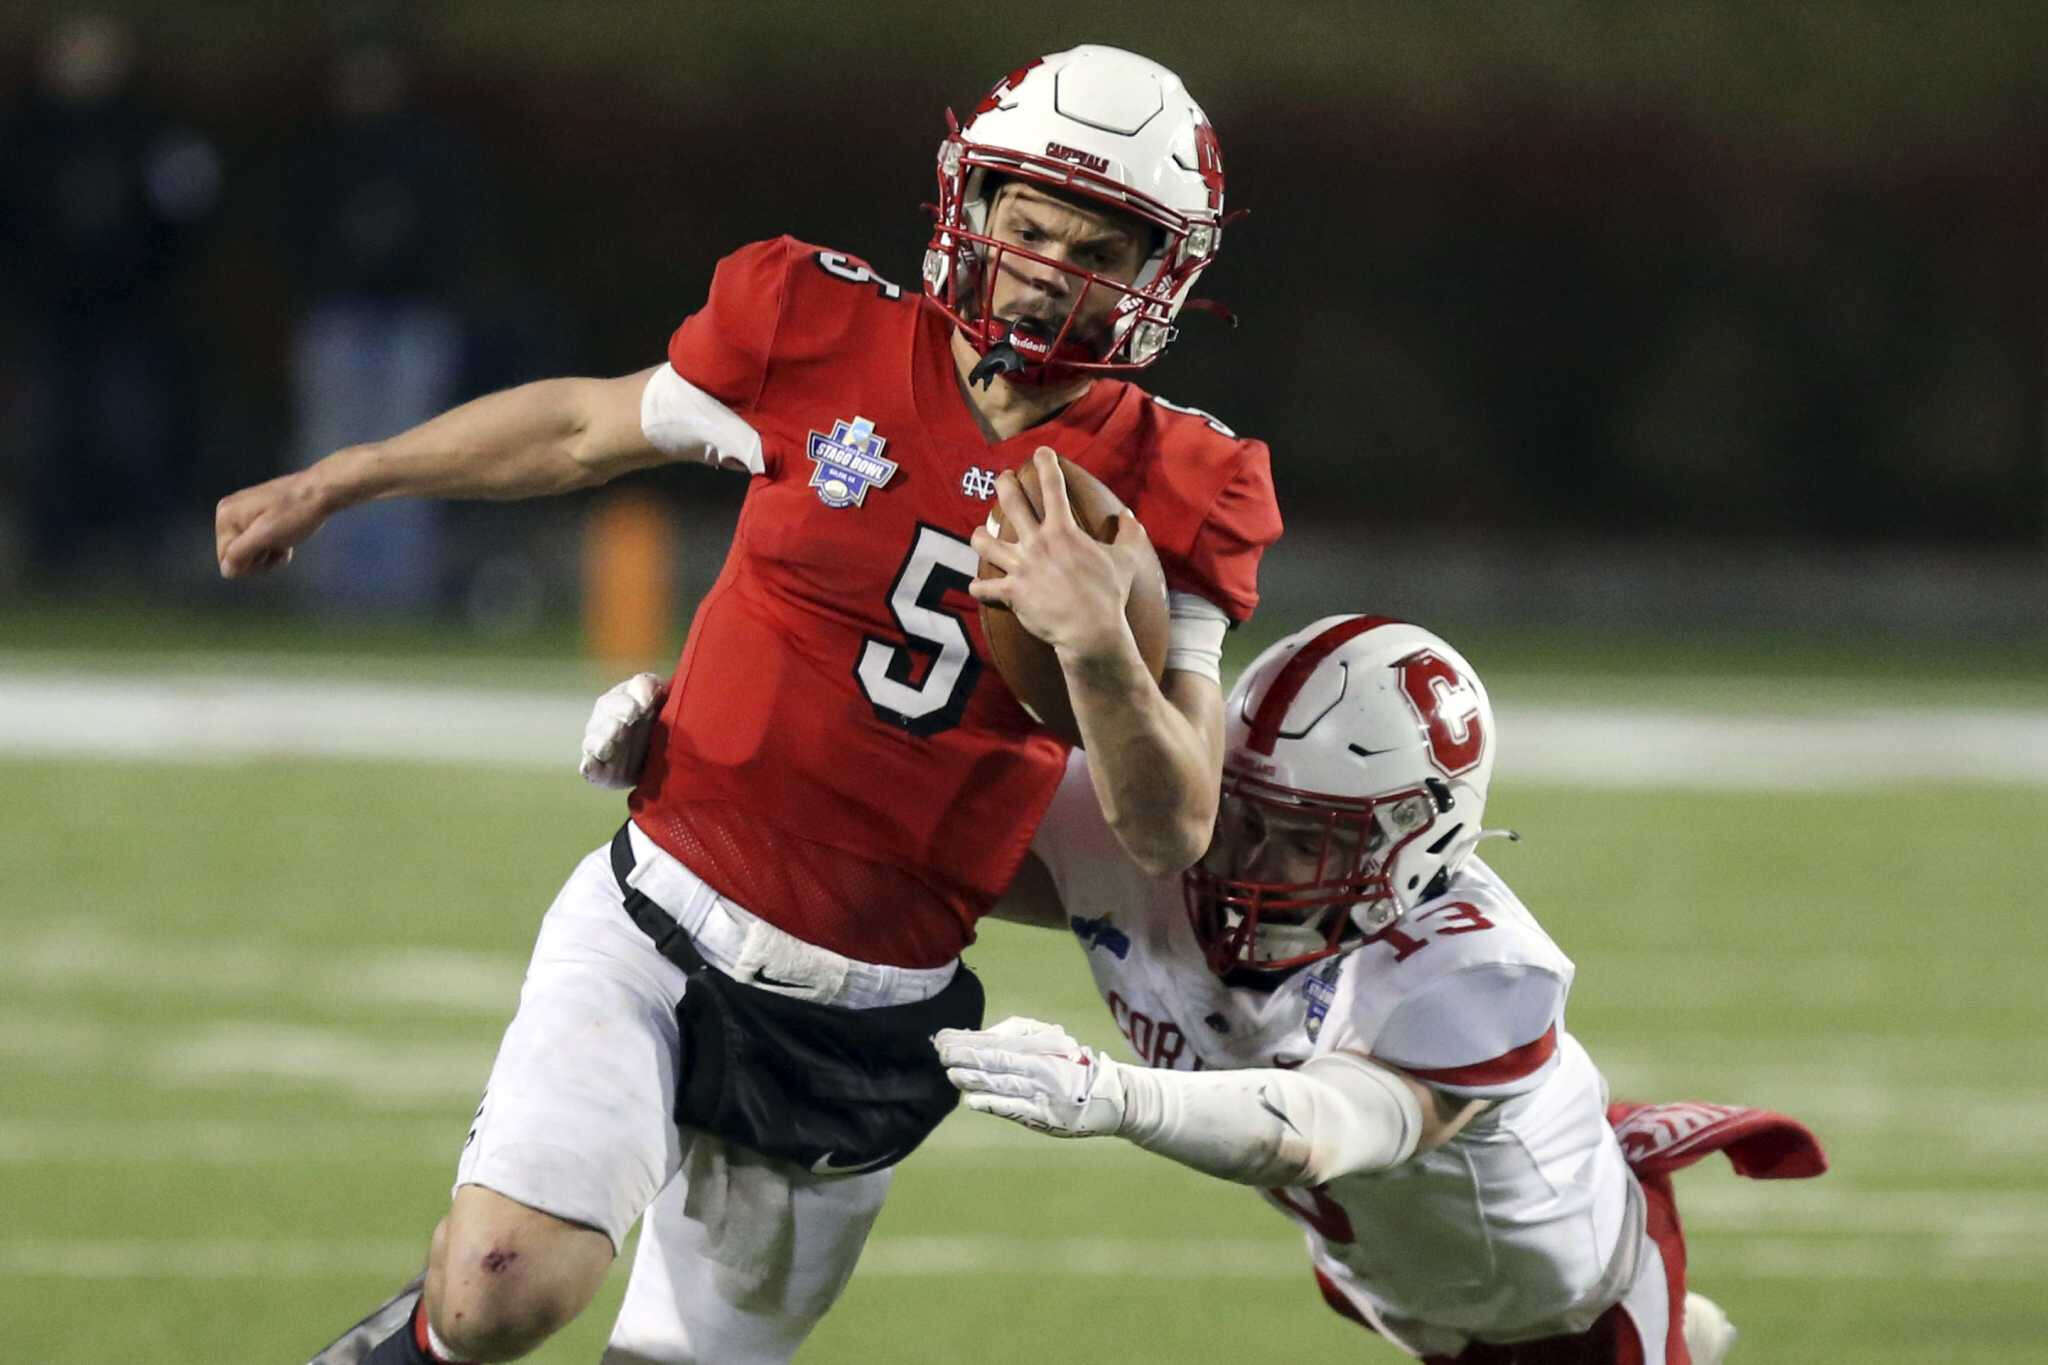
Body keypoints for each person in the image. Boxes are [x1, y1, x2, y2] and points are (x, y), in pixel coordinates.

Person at [215, 45, 1280, 1365]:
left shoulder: (1183, 480)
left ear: (1160, 271)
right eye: (1028, 220)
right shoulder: (817, 324)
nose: (1050, 262)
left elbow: (1173, 821)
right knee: (501, 1283)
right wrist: (347, 475)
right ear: (974, 206)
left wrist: (1100, 653)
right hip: (662, 910)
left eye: (1097, 242)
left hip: (871, 1003)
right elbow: (583, 428)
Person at [931, 613, 1828, 1363]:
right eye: (1241, 809)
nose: (1246, 855)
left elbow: (1322, 1130)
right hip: (1392, 1274)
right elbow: (924, 834)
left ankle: (1676, 1327)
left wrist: (1113, 1095)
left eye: (1301, 836)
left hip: (1571, 1305)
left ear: (1414, 837)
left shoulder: (1476, 972)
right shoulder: (1166, 829)